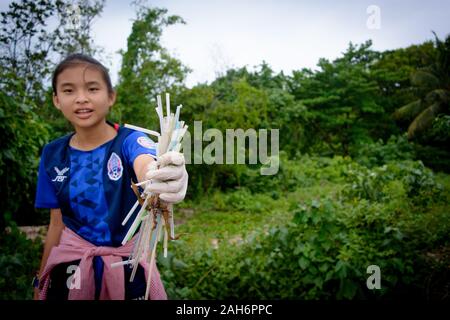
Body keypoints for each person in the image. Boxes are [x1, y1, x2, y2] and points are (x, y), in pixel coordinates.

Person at [33, 53, 188, 300]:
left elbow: (147, 163)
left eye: (92, 88)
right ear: (56, 100)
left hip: (128, 269)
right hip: (71, 268)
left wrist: (162, 176)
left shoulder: (130, 140)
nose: (82, 98)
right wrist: (40, 280)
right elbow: (56, 224)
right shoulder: (53, 154)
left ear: (111, 96)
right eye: (69, 90)